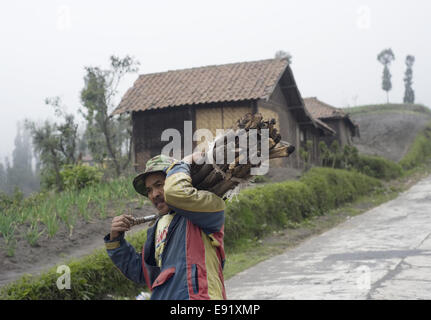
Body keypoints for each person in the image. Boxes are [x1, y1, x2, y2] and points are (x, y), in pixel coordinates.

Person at [104, 153, 226, 300]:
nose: (154, 194)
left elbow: (177, 193)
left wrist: (184, 162)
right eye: (149, 190)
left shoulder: (205, 208)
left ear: (175, 179)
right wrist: (116, 241)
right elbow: (143, 273)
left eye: (159, 185)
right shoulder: (158, 227)